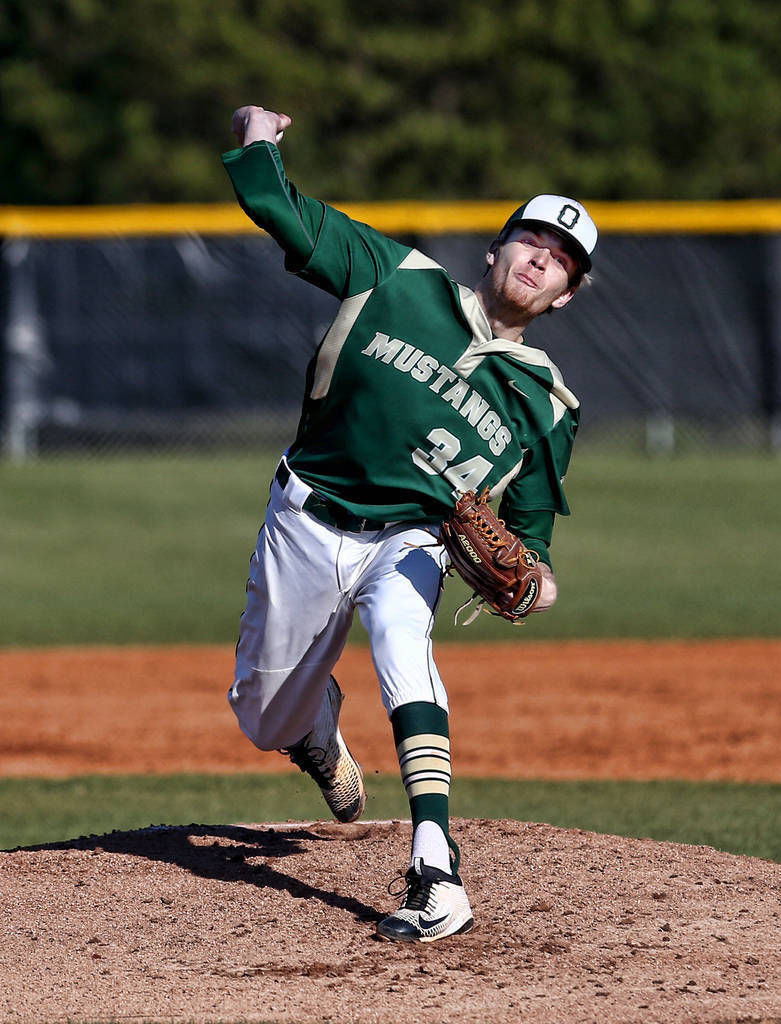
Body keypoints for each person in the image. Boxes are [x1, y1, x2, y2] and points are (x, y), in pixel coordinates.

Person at [222, 105, 598, 944]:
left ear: (566, 296)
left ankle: (437, 868)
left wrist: (533, 582)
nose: (542, 258)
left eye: (563, 260)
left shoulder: (545, 409)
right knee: (264, 716)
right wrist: (258, 139)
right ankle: (312, 731)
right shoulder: (394, 277)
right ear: (496, 252)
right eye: (532, 240)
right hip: (308, 518)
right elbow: (280, 211)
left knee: (402, 636)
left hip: (411, 537)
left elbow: (531, 541)